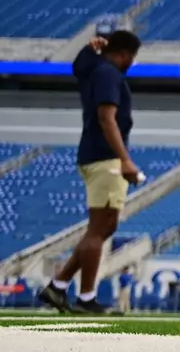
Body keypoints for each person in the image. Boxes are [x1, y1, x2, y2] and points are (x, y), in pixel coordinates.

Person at [39, 30, 143, 316]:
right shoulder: (109, 73)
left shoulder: (95, 68)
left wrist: (89, 49)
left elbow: (78, 67)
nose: (131, 64)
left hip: (94, 155)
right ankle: (87, 298)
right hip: (106, 158)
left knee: (105, 227)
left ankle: (58, 286)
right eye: (130, 58)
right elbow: (106, 118)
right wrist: (125, 160)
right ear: (124, 54)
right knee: (99, 228)